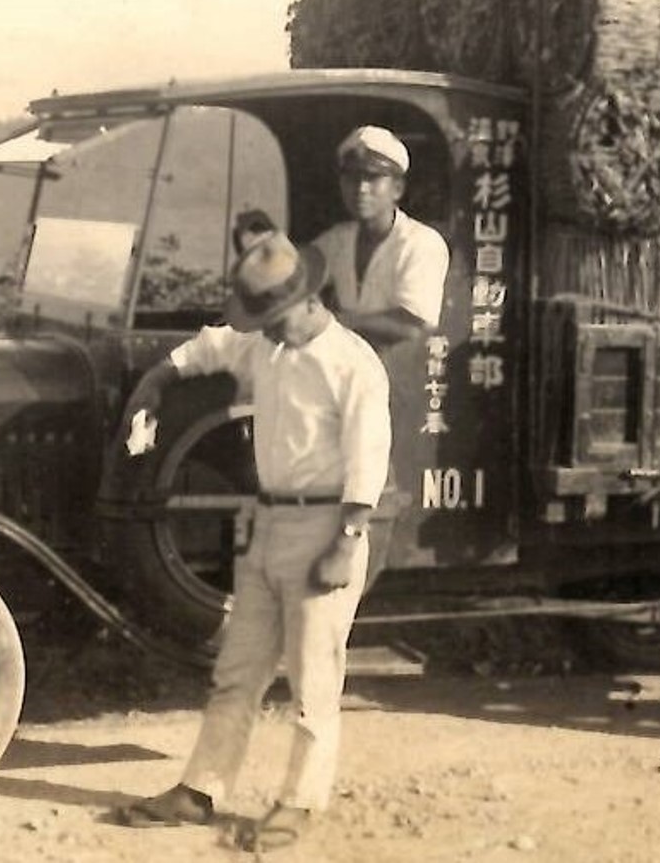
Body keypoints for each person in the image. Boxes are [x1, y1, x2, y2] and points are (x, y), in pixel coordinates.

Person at [110, 231, 391, 854]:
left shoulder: (354, 365)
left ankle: (300, 801)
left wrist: (347, 539)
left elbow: (368, 461)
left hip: (327, 528)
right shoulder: (267, 347)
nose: (264, 329)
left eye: (273, 317)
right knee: (237, 672)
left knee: (314, 678)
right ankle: (200, 789)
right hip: (266, 527)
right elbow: (212, 347)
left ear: (309, 302)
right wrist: (157, 378)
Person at [309, 125, 450, 349]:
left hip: (400, 372)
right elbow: (298, 273)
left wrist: (335, 322)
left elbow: (414, 326)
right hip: (347, 367)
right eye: (352, 177)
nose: (361, 189)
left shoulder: (421, 243)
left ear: (397, 189)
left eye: (372, 178)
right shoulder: (338, 239)